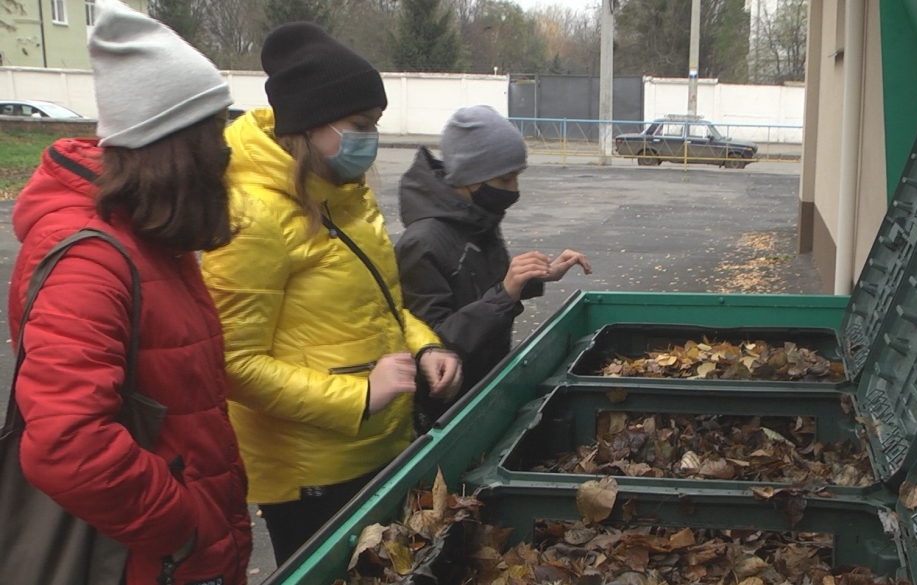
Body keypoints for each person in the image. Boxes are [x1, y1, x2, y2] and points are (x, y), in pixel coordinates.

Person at [5, 1, 252, 583]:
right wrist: (184, 529)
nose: (227, 150)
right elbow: (67, 445)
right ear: (178, 146)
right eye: (215, 131)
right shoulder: (92, 259)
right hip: (145, 560)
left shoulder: (148, 235)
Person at [200, 22, 462, 565]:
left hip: (375, 448)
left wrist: (424, 346)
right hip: (312, 474)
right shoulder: (253, 215)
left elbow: (380, 305)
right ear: (311, 123)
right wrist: (361, 397)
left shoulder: (344, 197)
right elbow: (231, 363)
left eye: (377, 124)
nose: (372, 138)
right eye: (360, 125)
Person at [395, 105, 592, 424]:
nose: (514, 190)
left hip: (486, 388)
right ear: (469, 177)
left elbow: (483, 287)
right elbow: (432, 342)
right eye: (504, 179)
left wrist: (540, 275)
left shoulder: (478, 219)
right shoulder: (423, 242)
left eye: (516, 177)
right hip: (447, 413)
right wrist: (506, 291)